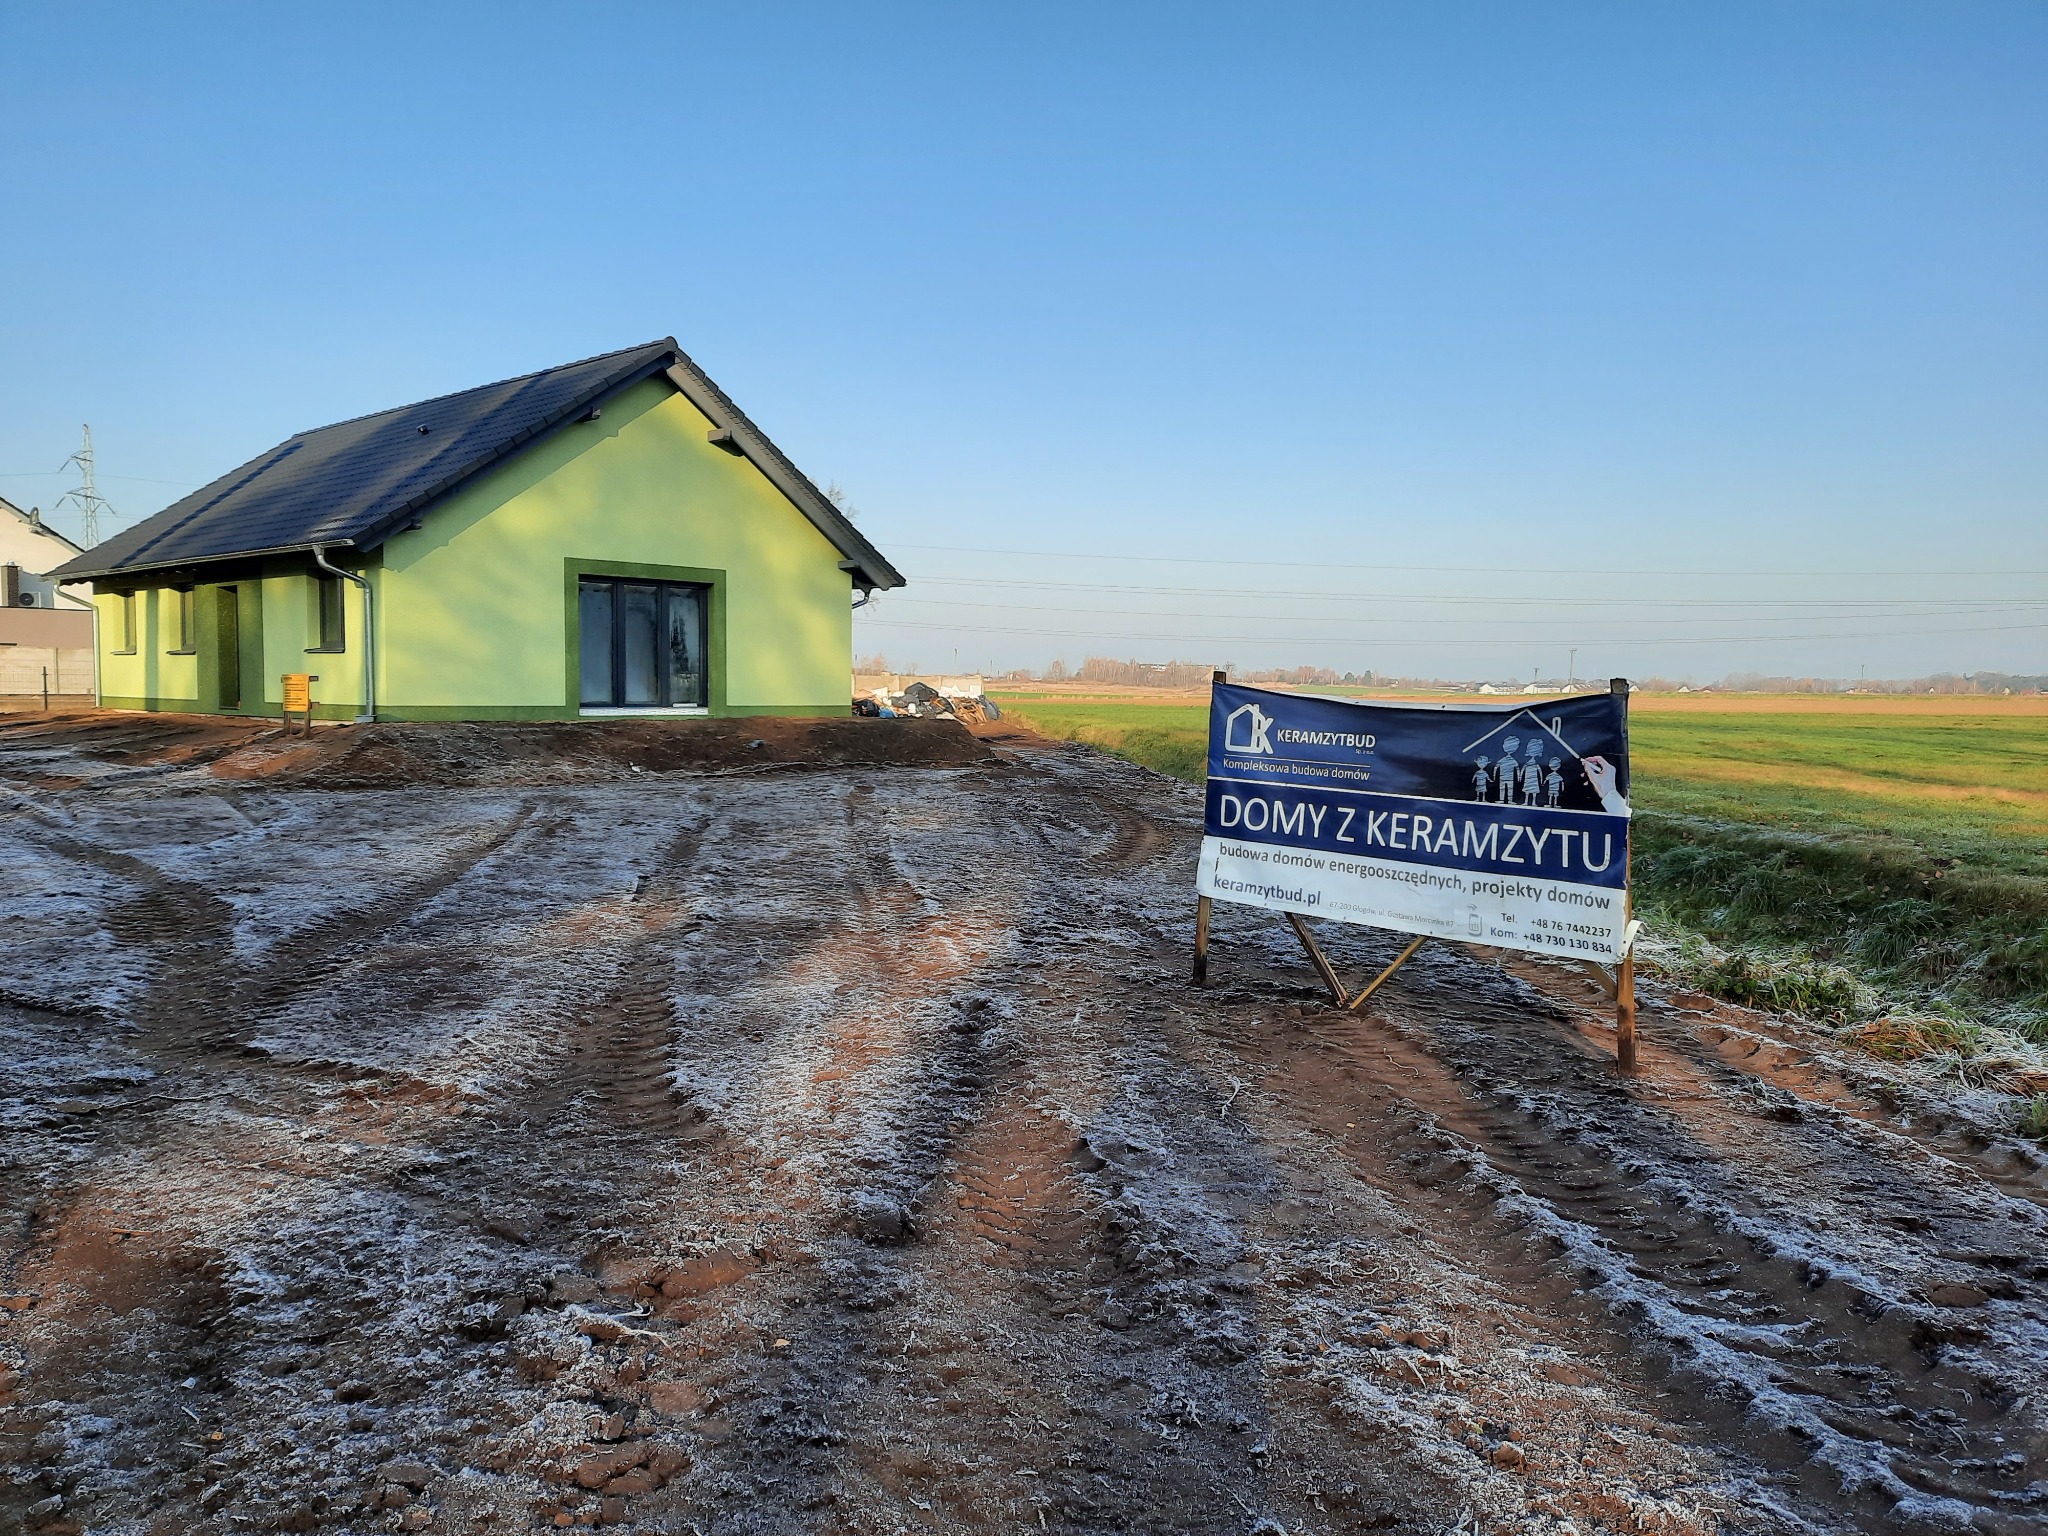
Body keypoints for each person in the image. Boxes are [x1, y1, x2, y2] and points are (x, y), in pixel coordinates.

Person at [1496, 736, 1520, 802]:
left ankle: (1509, 800)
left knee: (1508, 789)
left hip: (1509, 778)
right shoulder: (1510, 760)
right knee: (1504, 788)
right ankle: (1503, 800)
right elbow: (1517, 769)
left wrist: (1519, 777)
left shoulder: (1511, 760)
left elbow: (1517, 769)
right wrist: (1519, 777)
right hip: (1503, 778)